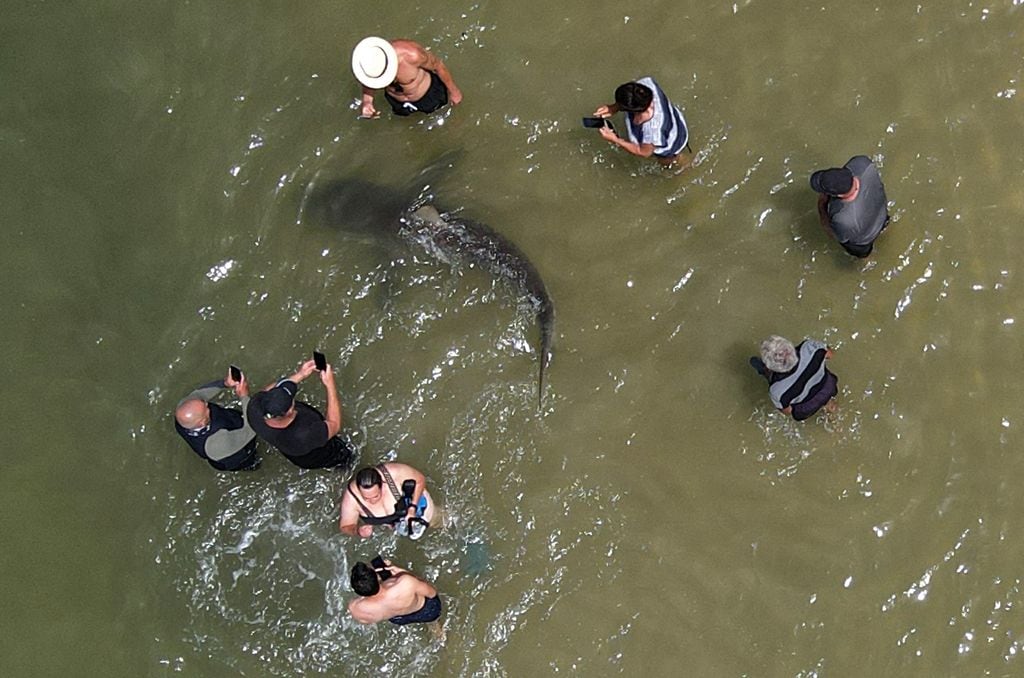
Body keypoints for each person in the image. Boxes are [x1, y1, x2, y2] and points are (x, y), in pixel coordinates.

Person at [246, 358, 355, 470]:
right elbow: (334, 424)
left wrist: (301, 374)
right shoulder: (304, 434)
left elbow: (268, 390)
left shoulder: (254, 409)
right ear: (289, 411)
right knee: (344, 457)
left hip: (291, 449)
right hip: (315, 455)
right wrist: (330, 385)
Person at [351, 36, 462, 118]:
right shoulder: (369, 65)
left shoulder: (412, 55)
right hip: (396, 100)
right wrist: (367, 101)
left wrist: (454, 91)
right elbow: (368, 80)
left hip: (428, 95)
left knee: (444, 116)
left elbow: (438, 65)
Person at [592, 77, 691, 166]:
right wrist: (614, 107)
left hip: (673, 143)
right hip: (673, 121)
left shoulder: (653, 133)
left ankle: (684, 163)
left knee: (666, 161)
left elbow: (643, 152)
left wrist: (615, 139)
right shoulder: (645, 86)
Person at [174, 368, 259, 471]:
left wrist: (225, 383)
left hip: (229, 422)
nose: (206, 403)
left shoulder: (183, 411)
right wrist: (244, 397)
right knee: (252, 460)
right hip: (236, 453)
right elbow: (251, 430)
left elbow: (200, 394)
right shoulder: (215, 444)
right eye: (206, 409)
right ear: (201, 423)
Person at [811, 156, 890, 258]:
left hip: (863, 242)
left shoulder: (842, 219)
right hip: (881, 214)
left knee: (861, 253)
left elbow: (831, 233)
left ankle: (865, 259)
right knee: (884, 225)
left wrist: (821, 206)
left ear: (838, 195)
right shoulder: (861, 163)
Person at [338, 463, 436, 540]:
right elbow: (345, 526)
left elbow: (420, 480)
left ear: (382, 485)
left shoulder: (393, 473)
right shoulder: (352, 496)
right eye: (366, 498)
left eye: (376, 496)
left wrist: (412, 508)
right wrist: (358, 531)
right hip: (392, 524)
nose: (372, 501)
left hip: (415, 506)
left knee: (436, 522)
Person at [750, 335, 838, 420]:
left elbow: (787, 411)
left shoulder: (777, 390)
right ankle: (830, 408)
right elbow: (830, 354)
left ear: (770, 367)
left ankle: (767, 373)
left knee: (773, 382)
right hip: (827, 386)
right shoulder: (811, 348)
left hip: (806, 407)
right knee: (824, 398)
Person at [348, 559, 442, 626]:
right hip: (426, 610)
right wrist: (403, 573)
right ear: (376, 577)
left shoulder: (356, 608)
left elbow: (367, 621)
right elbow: (432, 592)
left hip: (400, 619)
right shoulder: (405, 583)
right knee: (432, 621)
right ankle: (435, 628)